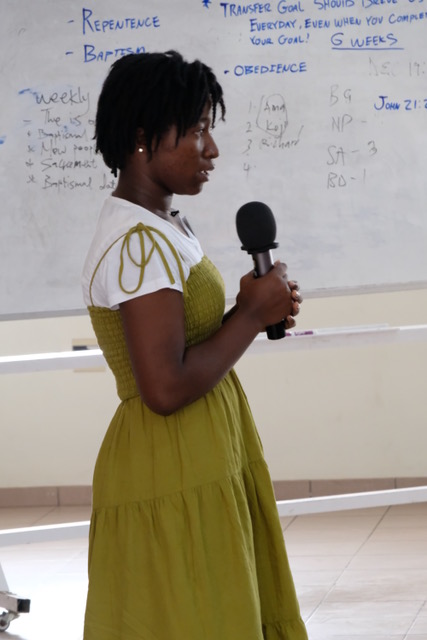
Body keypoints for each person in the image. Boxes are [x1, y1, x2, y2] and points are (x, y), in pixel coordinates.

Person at [81, 50, 308, 640]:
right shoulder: (136, 242)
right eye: (198, 130)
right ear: (142, 137)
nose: (212, 149)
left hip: (204, 452)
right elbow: (163, 387)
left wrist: (253, 308)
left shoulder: (164, 225)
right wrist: (250, 317)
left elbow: (190, 342)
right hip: (173, 463)